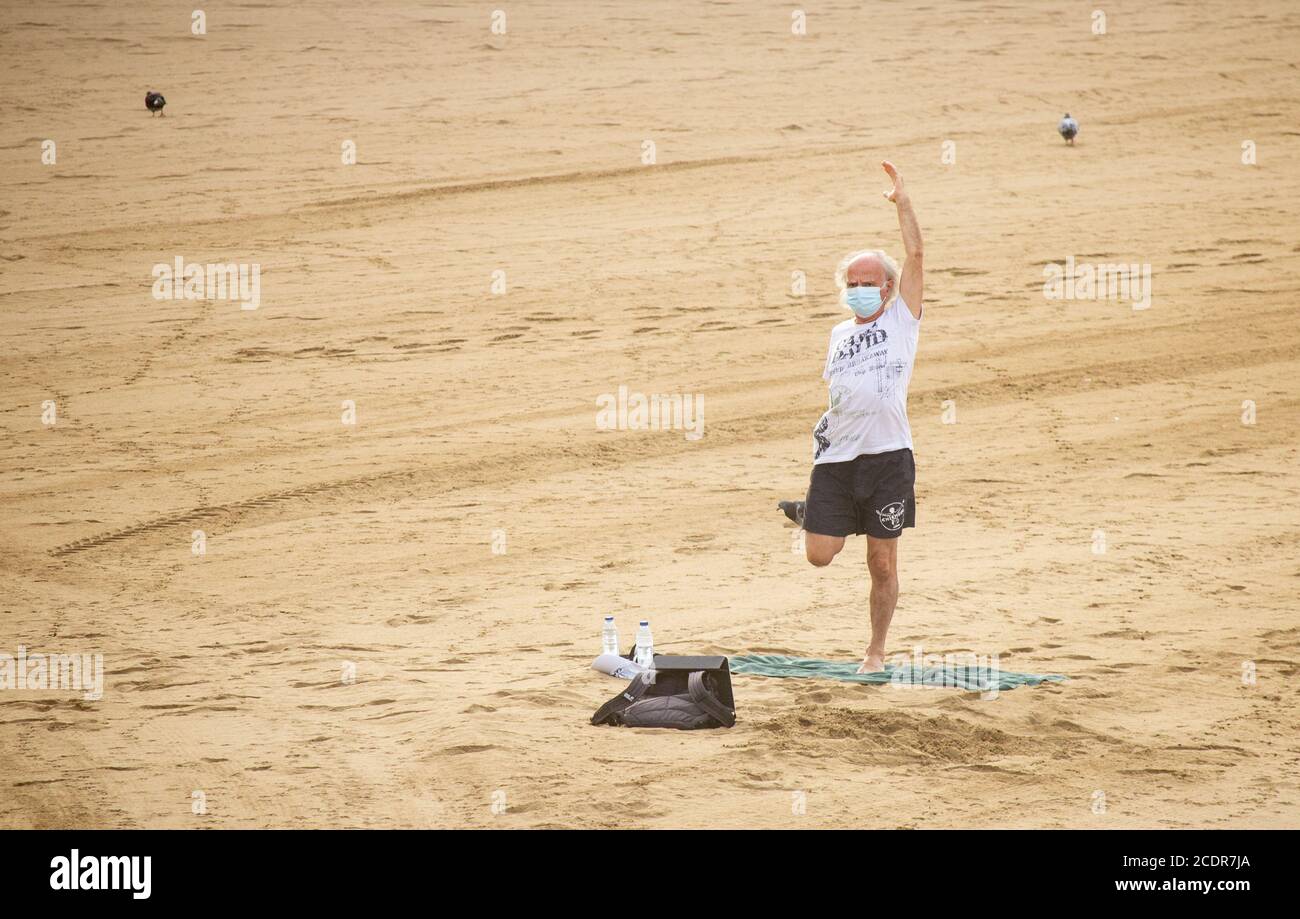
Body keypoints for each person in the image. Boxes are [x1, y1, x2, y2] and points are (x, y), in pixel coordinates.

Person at [779, 160, 924, 674]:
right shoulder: (839, 334)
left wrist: (903, 204)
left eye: (870, 280)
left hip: (887, 459)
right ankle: (813, 513)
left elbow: (915, 252)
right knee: (819, 555)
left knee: (881, 562)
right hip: (837, 455)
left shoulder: (903, 318)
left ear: (887, 287)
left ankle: (875, 651)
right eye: (853, 281)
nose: (861, 287)